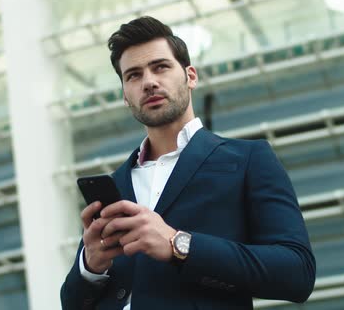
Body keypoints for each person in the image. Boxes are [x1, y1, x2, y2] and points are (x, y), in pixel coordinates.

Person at [60, 16, 315, 310]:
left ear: (190, 76)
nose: (149, 82)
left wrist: (178, 244)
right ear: (125, 97)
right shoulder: (116, 186)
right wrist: (90, 266)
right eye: (133, 75)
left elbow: (297, 274)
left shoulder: (247, 159)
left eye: (161, 67)